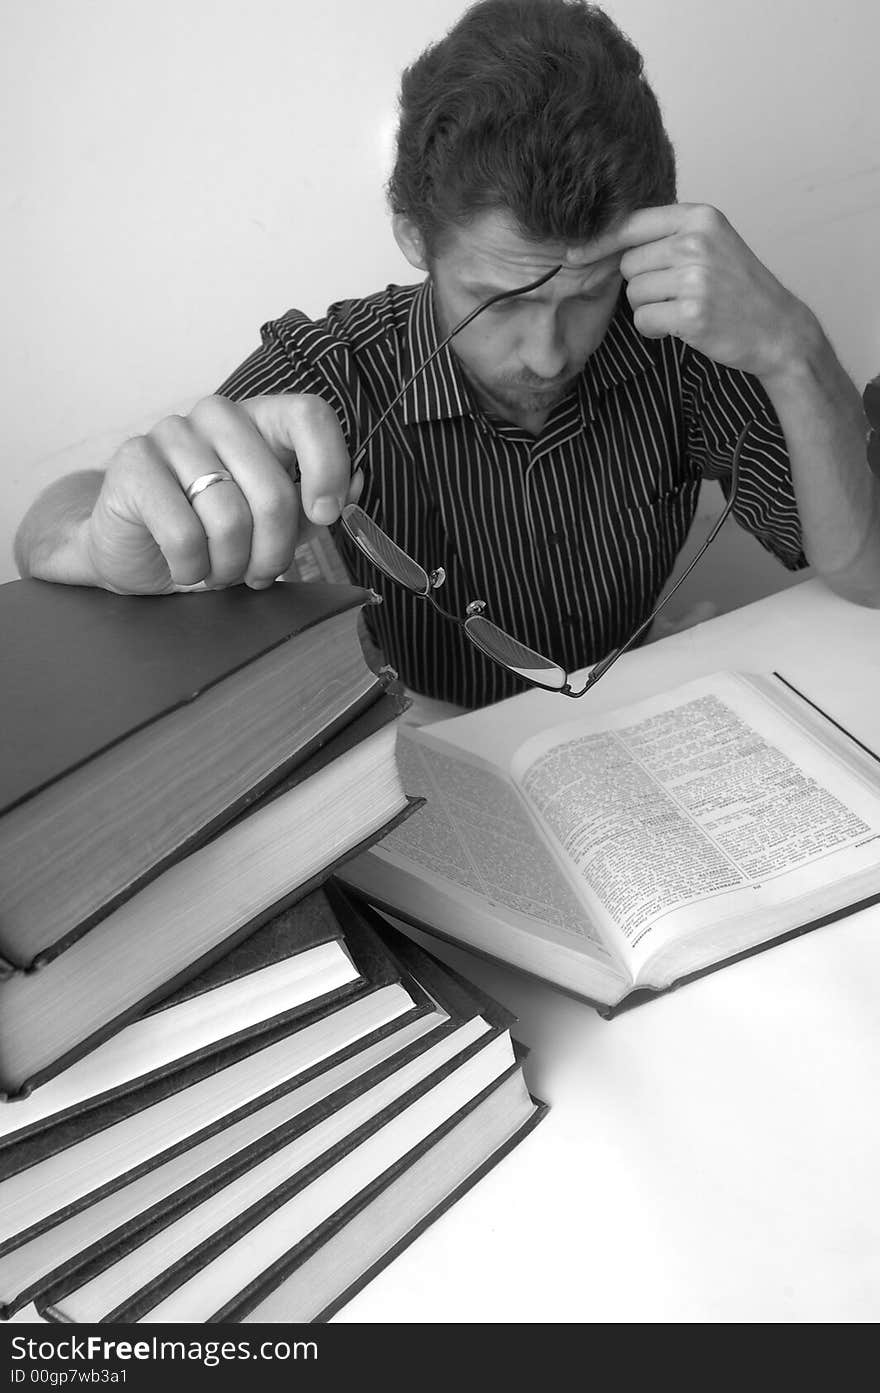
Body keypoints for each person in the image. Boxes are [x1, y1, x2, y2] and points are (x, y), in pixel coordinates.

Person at [14, 0, 880, 709]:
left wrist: (794, 348)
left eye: (587, 295)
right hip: (413, 771)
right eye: (498, 302)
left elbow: (866, 572)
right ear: (414, 240)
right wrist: (100, 527)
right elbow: (49, 532)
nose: (547, 354)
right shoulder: (333, 374)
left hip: (634, 737)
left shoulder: (682, 342)